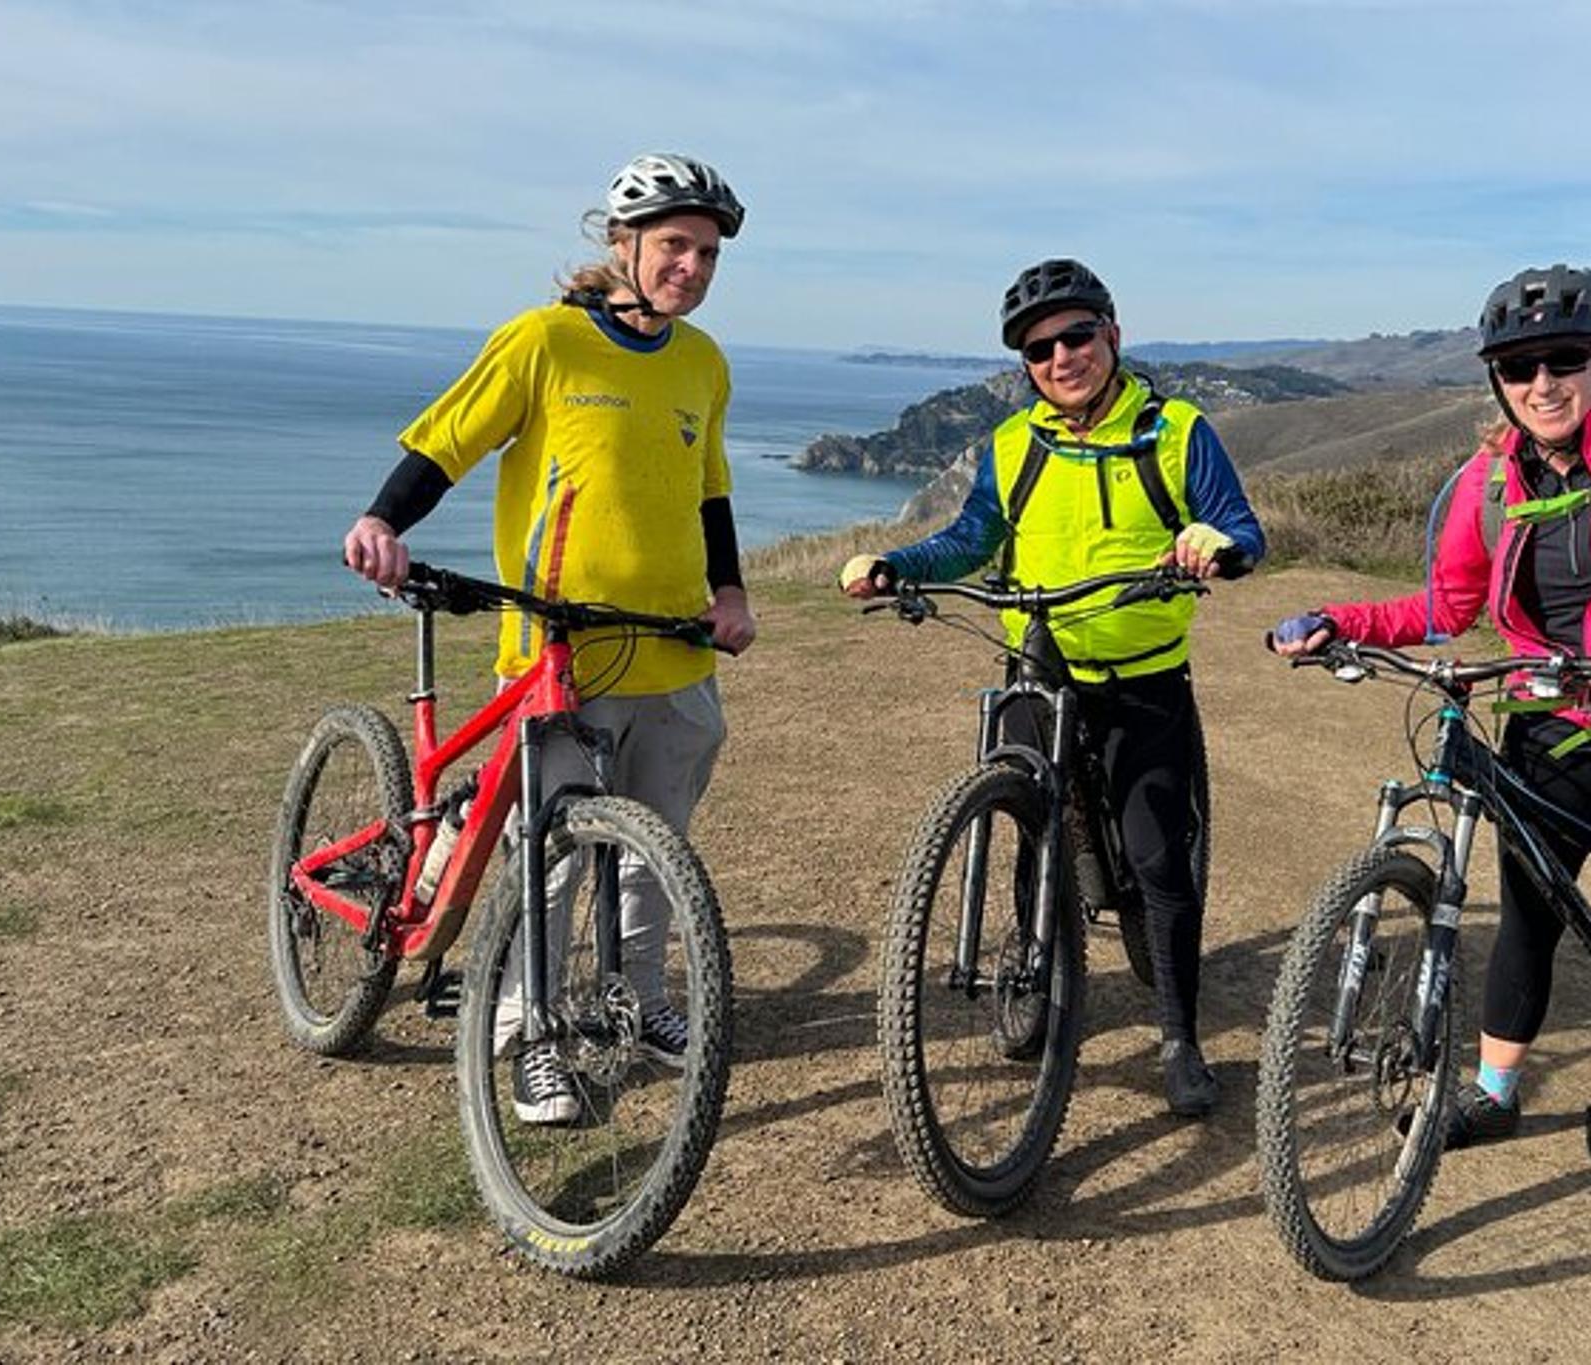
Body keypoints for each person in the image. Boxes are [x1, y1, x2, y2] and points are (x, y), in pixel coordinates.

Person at [1271, 263, 1591, 1309]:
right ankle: (1497, 1093)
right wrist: (1338, 620)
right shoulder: (1485, 483)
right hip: (1546, 722)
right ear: (1495, 378)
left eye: (1561, 360)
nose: (1540, 382)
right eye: (1517, 366)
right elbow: (1445, 603)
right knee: (1527, 920)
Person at [343, 152, 757, 1124]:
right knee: (558, 852)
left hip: (674, 647)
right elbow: (445, 442)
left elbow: (711, 494)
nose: (690, 268)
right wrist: (381, 521)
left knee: (657, 846)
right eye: (673, 247)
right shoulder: (544, 343)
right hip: (560, 652)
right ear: (621, 246)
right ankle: (528, 1031)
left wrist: (730, 592)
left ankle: (643, 1000)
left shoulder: (704, 363)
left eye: (704, 253)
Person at [841, 258, 1266, 1117]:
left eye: (1077, 335)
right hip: (1037, 668)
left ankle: (1178, 1034)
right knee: (1034, 834)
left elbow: (1241, 529)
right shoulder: (1014, 443)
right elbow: (971, 537)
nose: (1061, 356)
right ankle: (1034, 970)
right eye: (1040, 348)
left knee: (1157, 859)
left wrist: (1210, 546)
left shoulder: (1176, 431)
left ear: (1114, 334)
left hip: (1141, 678)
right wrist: (896, 565)